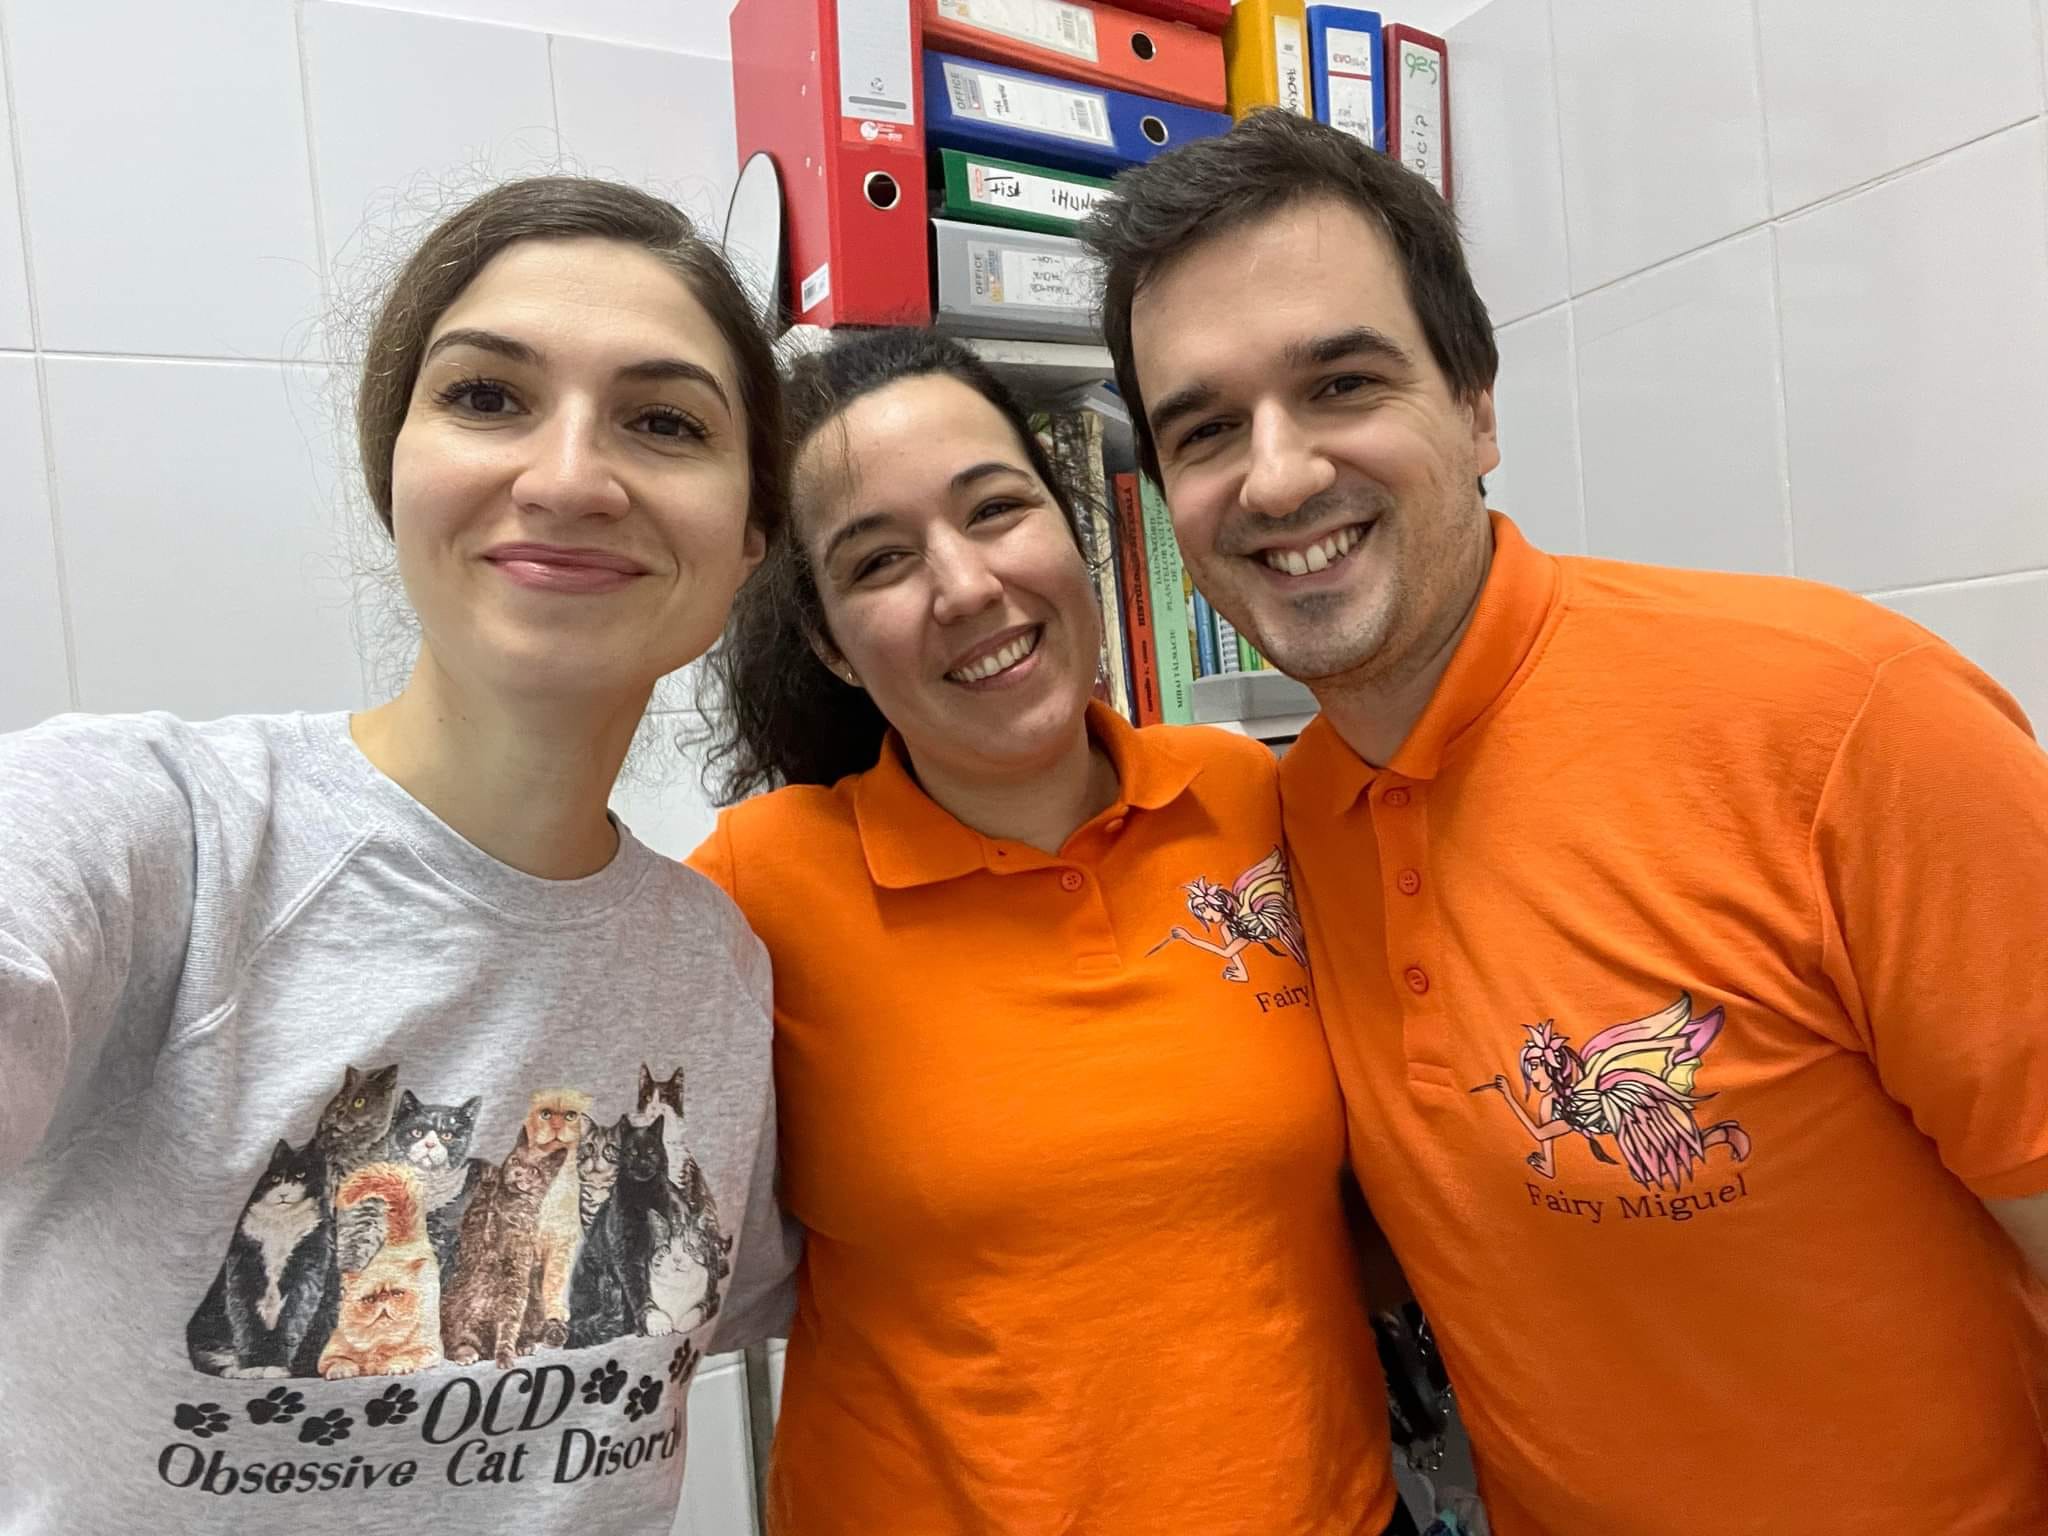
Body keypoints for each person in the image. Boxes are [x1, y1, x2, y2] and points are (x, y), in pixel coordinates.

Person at [1080, 106, 2048, 1536]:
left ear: (1476, 407)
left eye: (1341, 383)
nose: (1276, 476)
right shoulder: (1285, 833)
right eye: (1206, 429)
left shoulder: (1846, 720)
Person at [0, 178, 798, 1533]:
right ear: (395, 475)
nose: (567, 477)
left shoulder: (715, 964)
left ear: (748, 546)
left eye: (665, 422)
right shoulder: (155, 832)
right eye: (488, 397)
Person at [689, 327, 1407, 1535]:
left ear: (1074, 533)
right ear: (828, 645)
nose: (966, 586)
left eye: (995, 509)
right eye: (878, 561)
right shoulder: (753, 890)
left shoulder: (1247, 798)